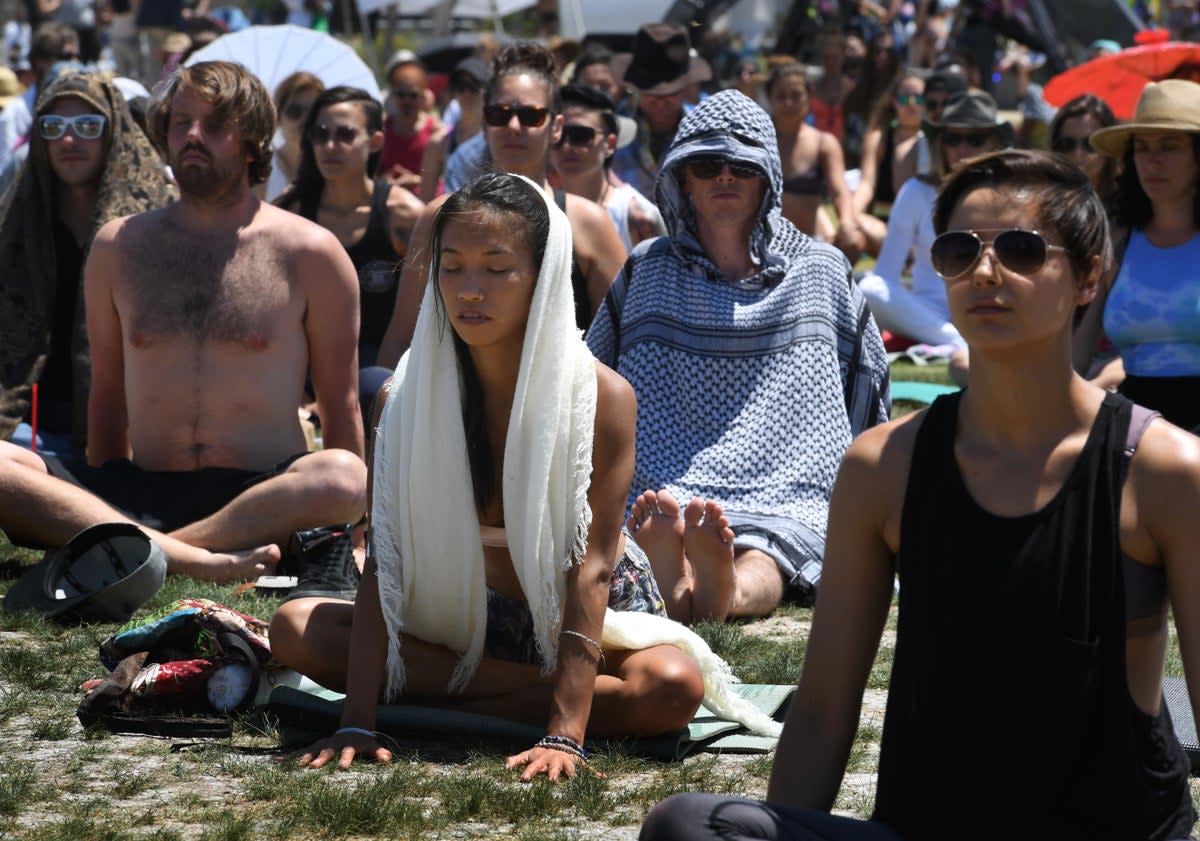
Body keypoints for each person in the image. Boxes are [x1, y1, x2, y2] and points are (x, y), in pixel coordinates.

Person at [640, 147, 1200, 841]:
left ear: (1089, 276)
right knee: (690, 824)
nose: (986, 271)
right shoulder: (884, 466)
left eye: (1023, 250)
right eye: (960, 250)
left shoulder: (1163, 470)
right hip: (925, 830)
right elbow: (821, 709)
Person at [270, 172, 708, 779]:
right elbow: (384, 561)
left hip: (575, 618)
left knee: (672, 686)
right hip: (449, 624)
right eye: (451, 268)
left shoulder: (602, 398)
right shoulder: (402, 399)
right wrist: (356, 719)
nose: (469, 290)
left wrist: (565, 733)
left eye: (497, 269)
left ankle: (462, 696)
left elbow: (593, 567)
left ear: (543, 277)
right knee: (293, 628)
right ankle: (517, 691)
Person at [0, 61, 367, 583]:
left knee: (343, 477)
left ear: (253, 141)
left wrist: (351, 536)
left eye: (215, 124)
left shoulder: (310, 251)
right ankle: (189, 558)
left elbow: (340, 402)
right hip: (142, 487)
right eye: (180, 122)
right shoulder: (118, 246)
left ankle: (125, 549)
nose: (193, 136)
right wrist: (106, 485)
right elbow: (106, 394)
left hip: (259, 494)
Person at [587, 90, 890, 624]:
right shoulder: (648, 267)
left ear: (767, 177)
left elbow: (864, 378)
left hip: (789, 480)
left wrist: (861, 484)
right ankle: (680, 572)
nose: (724, 176)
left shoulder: (819, 267)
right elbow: (595, 376)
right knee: (655, 514)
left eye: (741, 165)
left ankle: (722, 589)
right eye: (707, 165)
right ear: (682, 178)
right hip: (662, 479)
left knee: (774, 550)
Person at [377, 43, 626, 365]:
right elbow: (400, 341)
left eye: (531, 115)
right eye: (499, 114)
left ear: (557, 127)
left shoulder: (589, 223)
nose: (513, 127)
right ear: (483, 124)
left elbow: (622, 344)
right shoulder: (440, 217)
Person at [0, 70, 174, 457]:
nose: (68, 139)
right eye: (53, 126)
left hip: (134, 428)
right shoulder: (15, 225)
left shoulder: (155, 226)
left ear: (112, 132)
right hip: (26, 426)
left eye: (87, 125)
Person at [275, 85, 423, 426]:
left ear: (374, 142)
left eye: (345, 134)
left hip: (381, 382)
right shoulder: (291, 213)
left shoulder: (403, 217)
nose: (330, 146)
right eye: (320, 134)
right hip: (302, 380)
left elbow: (412, 322)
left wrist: (362, 396)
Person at [858, 90, 1012, 384]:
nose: (962, 148)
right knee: (869, 288)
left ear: (994, 143)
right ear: (940, 143)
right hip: (932, 313)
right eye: (953, 138)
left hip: (988, 302)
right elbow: (886, 275)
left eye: (975, 139)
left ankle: (964, 341)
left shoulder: (1009, 193)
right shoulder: (917, 191)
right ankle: (958, 342)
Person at [1075, 79, 1200, 431]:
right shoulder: (1117, 240)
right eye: (1142, 148)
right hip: (1132, 425)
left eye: (1169, 146)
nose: (1152, 160)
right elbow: (1078, 353)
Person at [765, 63, 866, 260]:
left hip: (808, 243)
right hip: (764, 243)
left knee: (854, 240)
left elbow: (839, 191)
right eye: (781, 96)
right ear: (770, 99)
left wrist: (846, 223)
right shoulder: (759, 141)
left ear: (809, 98)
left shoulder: (824, 143)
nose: (788, 103)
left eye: (796, 95)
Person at [550, 84, 665, 253]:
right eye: (558, 135)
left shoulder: (637, 217)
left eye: (581, 135)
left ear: (610, 144)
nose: (567, 145)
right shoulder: (543, 209)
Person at [610, 24, 708, 199]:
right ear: (636, 89)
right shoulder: (611, 127)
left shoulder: (706, 129)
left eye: (670, 93)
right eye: (651, 94)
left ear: (685, 89)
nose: (661, 102)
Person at [851, 70, 925, 255]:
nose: (912, 104)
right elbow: (867, 183)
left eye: (919, 98)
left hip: (920, 226)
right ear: (893, 101)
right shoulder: (878, 138)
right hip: (882, 224)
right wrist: (851, 214)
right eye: (905, 98)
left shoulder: (934, 141)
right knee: (853, 231)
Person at [0, 21, 78, 174]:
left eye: (77, 55)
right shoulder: (15, 114)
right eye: (66, 56)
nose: (75, 63)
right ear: (40, 62)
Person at [417, 56, 488, 203]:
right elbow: (425, 200)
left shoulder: (497, 138)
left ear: (488, 89)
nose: (466, 92)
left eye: (474, 85)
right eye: (460, 86)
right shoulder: (439, 142)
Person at [377, 51, 441, 194]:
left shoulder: (435, 130)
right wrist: (385, 180)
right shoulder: (382, 130)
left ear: (423, 95)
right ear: (393, 95)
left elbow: (444, 176)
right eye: (401, 95)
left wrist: (417, 180)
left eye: (413, 95)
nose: (407, 101)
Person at [1048, 93, 1119, 215]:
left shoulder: (1131, 206)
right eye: (1067, 144)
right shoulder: (1043, 207)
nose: (1078, 154)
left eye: (1090, 144)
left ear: (1110, 147)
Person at [263, 71, 324, 203]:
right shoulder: (261, 170)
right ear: (278, 117)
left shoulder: (337, 163)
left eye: (314, 111)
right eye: (295, 111)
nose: (306, 119)